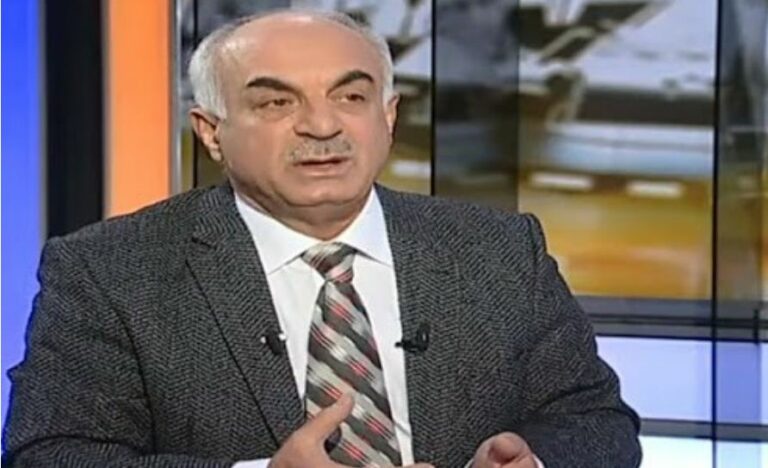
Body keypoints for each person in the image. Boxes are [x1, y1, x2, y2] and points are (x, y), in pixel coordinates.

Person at [2, 9, 641, 468]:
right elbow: (52, 454)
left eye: (351, 96)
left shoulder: (499, 249)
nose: (321, 125)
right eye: (276, 103)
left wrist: (533, 459)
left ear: (387, 117)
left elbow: (596, 422)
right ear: (211, 132)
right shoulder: (109, 269)